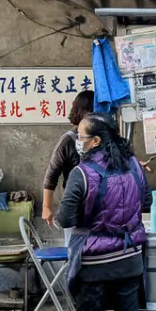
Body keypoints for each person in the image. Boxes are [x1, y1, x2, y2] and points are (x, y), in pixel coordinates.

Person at [56, 112, 151, 311]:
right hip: (128, 257)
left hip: (92, 262)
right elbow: (145, 201)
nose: (77, 141)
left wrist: (92, 220)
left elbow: (64, 219)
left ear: (96, 141)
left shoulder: (82, 174)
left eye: (81, 136)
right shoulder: (134, 165)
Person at [42, 90, 94, 227]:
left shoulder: (102, 139)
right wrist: (46, 207)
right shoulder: (68, 141)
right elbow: (51, 175)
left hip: (99, 205)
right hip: (75, 206)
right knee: (74, 245)